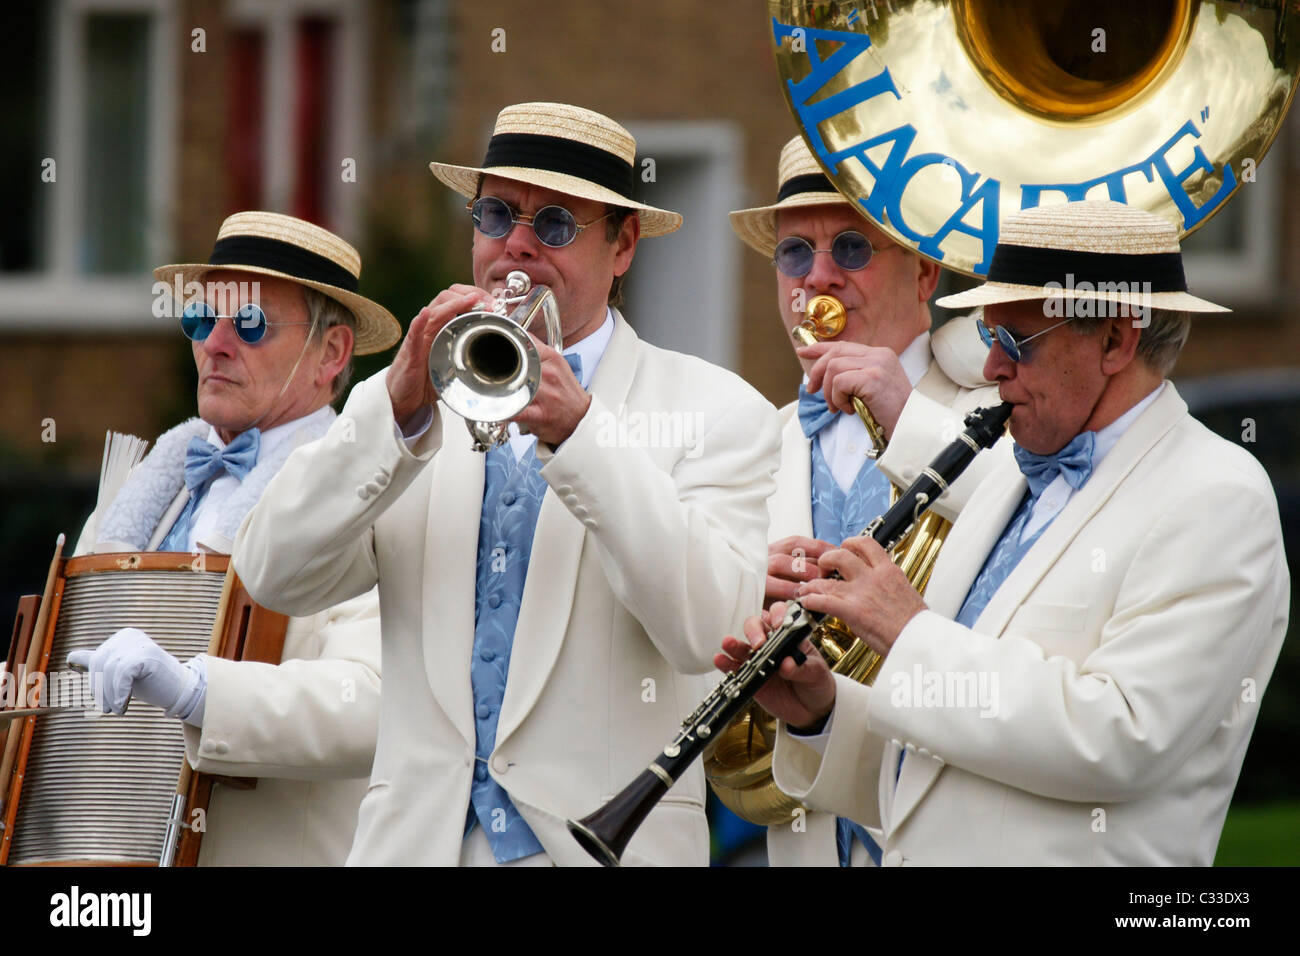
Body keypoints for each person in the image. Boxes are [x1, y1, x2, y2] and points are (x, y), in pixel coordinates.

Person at [233, 102, 782, 866]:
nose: (516, 245)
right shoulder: (414, 402)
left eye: (555, 224)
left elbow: (705, 631)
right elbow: (272, 574)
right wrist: (389, 418)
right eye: (495, 214)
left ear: (622, 247)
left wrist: (580, 435)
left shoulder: (717, 411)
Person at [720, 199, 1290, 866]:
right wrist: (819, 710)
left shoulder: (1216, 494)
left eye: (1014, 343)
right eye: (991, 339)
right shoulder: (1007, 478)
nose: (991, 371)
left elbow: (1121, 738)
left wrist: (906, 632)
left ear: (1114, 340)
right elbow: (929, 770)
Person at [70, 211, 400, 865]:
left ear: (331, 354)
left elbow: (372, 703)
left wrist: (199, 694)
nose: (215, 343)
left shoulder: (374, 491)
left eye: (249, 323)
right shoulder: (136, 487)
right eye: (201, 318)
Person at [724, 135, 1001, 866]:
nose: (817, 277)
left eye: (852, 247)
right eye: (794, 254)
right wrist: (744, 588)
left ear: (925, 270)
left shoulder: (998, 406)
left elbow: (1040, 519)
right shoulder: (759, 441)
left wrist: (907, 415)